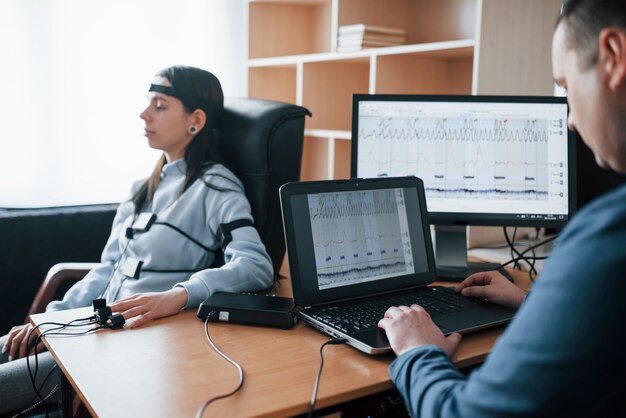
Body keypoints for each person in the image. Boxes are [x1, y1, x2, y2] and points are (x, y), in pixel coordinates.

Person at [377, 1, 626, 416]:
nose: (569, 120)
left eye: (565, 86)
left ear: (614, 56)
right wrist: (533, 304)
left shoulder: (608, 238)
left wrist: (417, 351)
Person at [0, 65, 273, 414]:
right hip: (87, 328)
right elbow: (108, 269)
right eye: (148, 104)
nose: (144, 114)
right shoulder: (141, 189)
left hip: (135, 344)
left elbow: (255, 264)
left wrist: (179, 295)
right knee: (10, 343)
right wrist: (53, 320)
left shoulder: (216, 187)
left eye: (160, 105)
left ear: (196, 120)